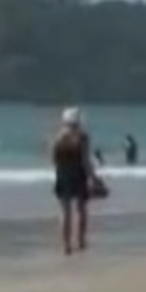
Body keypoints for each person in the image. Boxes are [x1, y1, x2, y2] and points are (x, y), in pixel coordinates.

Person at [50, 107, 100, 255]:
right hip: (79, 175)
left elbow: (54, 160)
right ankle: (81, 241)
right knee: (81, 210)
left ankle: (66, 246)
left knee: (65, 212)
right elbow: (85, 161)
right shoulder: (82, 137)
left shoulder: (58, 137)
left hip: (63, 175)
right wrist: (93, 178)